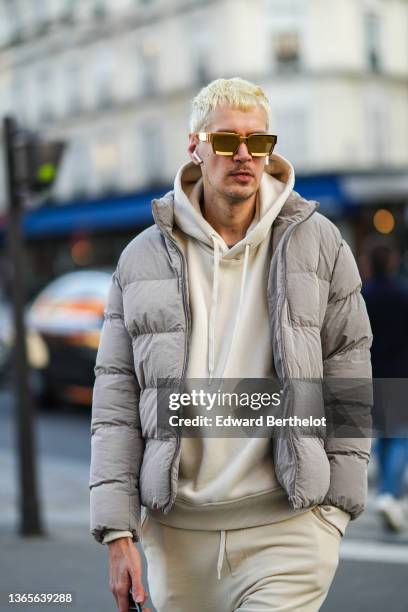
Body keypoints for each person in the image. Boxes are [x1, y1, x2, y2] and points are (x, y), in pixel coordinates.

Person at [89, 78, 372, 612]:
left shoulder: (320, 243)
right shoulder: (141, 258)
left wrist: (334, 513)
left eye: (258, 141)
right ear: (193, 144)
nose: (244, 155)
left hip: (289, 532)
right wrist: (116, 532)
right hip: (178, 540)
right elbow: (117, 405)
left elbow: (349, 372)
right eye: (226, 141)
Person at [362, 242, 408, 532]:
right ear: (391, 263)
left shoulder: (363, 295)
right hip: (401, 374)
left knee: (382, 435)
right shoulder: (402, 295)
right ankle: (389, 493)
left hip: (370, 374)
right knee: (400, 437)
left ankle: (386, 492)